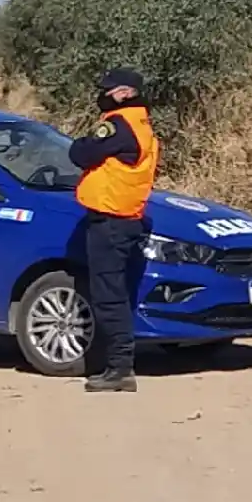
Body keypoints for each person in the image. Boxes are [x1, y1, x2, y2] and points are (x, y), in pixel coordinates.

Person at [67, 68, 159, 393]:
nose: (101, 95)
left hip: (110, 222)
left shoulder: (119, 124)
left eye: (106, 90)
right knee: (116, 294)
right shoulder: (142, 123)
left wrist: (83, 142)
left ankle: (119, 369)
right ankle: (117, 365)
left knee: (109, 298)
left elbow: (81, 154)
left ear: (123, 92)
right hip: (127, 218)